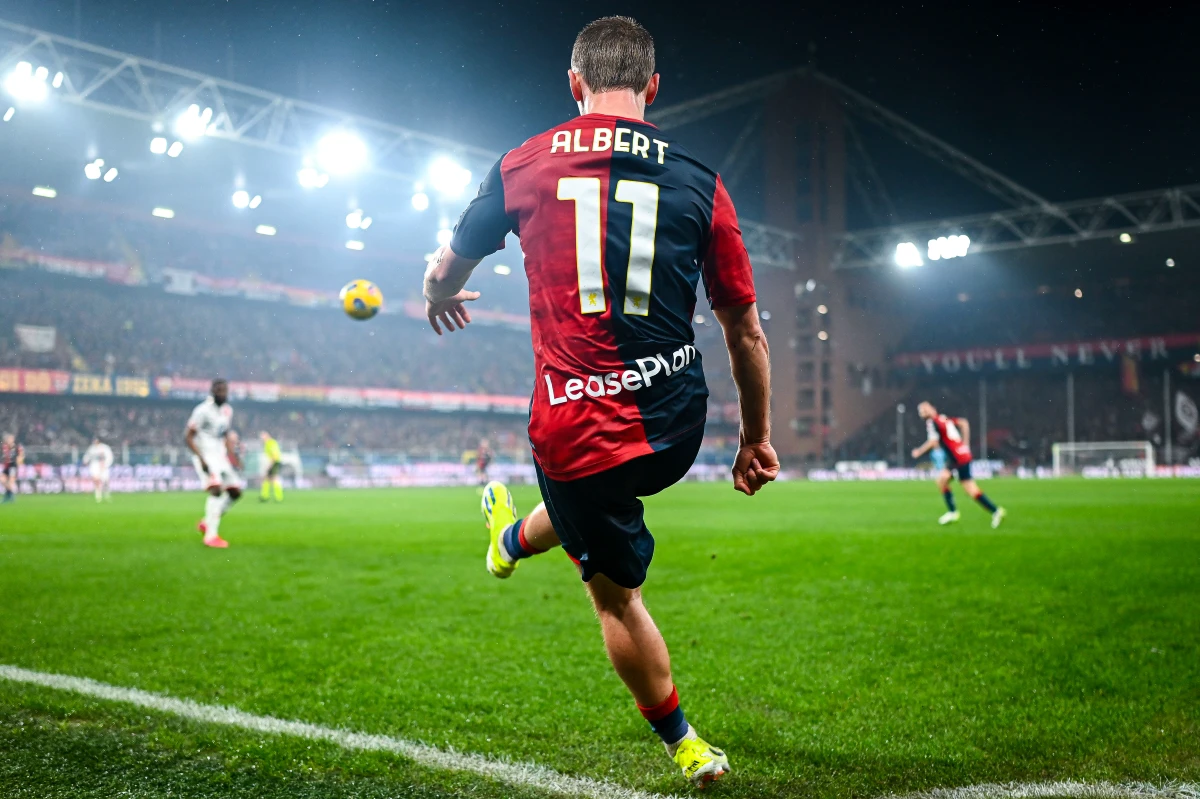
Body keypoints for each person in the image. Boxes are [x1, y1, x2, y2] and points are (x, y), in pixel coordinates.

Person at [422, 16, 777, 788]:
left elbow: (449, 265)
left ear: (574, 85)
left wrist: (435, 293)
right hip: (675, 425)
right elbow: (744, 328)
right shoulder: (700, 180)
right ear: (653, 88)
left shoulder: (522, 165)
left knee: (616, 596)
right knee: (593, 504)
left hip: (574, 425)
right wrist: (755, 439)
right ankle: (510, 539)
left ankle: (681, 738)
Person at [911, 401, 1006, 528]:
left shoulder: (932, 422)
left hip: (957, 458)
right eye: (921, 411)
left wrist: (919, 451)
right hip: (963, 455)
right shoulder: (943, 418)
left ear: (932, 409)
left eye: (924, 409)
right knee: (971, 489)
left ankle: (953, 512)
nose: (923, 412)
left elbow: (933, 442)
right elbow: (964, 423)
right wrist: (964, 445)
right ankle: (996, 511)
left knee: (941, 480)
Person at [185, 379, 243, 548]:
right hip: (206, 455)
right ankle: (211, 536)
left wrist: (234, 457)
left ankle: (206, 522)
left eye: (224, 390)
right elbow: (188, 436)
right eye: (218, 390)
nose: (222, 393)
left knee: (235, 492)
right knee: (216, 490)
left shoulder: (227, 411)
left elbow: (224, 435)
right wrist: (201, 459)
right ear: (212, 391)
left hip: (220, 456)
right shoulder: (202, 411)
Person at [82, 436, 114, 503]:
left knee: (105, 481)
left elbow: (110, 457)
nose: (95, 442)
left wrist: (106, 465)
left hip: (103, 466)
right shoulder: (92, 448)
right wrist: (85, 461)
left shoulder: (105, 448)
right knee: (96, 480)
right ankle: (98, 495)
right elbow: (87, 456)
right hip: (94, 466)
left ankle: (107, 495)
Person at [259, 431, 284, 503]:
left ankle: (278, 497)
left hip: (274, 462)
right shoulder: (268, 443)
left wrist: (269, 466)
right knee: (267, 479)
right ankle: (265, 496)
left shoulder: (271, 443)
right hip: (273, 462)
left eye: (263, 437)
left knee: (274, 479)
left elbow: (274, 455)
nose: (262, 439)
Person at [1, 432, 24, 503]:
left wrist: (19, 461)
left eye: (10, 439)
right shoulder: (4, 446)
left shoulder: (17, 447)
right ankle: (10, 495)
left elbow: (21, 456)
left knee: (10, 482)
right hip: (7, 466)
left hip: (13, 466)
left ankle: (8, 496)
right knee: (2, 479)